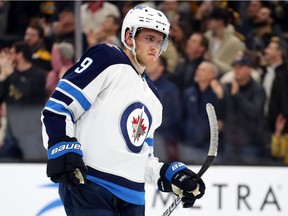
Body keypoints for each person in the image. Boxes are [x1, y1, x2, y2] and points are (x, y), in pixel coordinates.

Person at [41, 5, 206, 215]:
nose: (155, 47)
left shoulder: (154, 97)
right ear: (129, 36)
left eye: (159, 41)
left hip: (133, 198)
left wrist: (168, 174)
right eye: (149, 38)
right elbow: (59, 107)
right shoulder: (107, 58)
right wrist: (61, 145)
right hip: (91, 183)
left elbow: (141, 157)